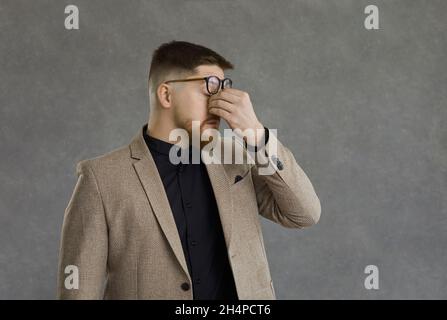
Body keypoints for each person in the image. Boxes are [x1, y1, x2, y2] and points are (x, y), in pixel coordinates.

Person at [57, 40, 321, 299]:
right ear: (166, 94)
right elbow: (78, 292)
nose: (219, 103)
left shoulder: (238, 156)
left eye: (224, 89)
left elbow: (304, 214)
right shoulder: (101, 178)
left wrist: (258, 137)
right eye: (210, 88)